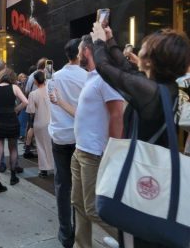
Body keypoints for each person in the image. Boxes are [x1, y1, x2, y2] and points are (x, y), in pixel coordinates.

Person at [91, 23, 190, 247]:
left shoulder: (150, 91)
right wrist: (110, 41)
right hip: (155, 167)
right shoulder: (163, 87)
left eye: (145, 48)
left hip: (142, 172)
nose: (140, 50)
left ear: (151, 59)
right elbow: (128, 71)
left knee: (138, 227)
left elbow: (106, 69)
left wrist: (98, 41)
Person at [71, 34, 124, 248]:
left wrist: (112, 152)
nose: (76, 56)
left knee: (93, 208)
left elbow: (117, 114)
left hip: (94, 154)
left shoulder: (105, 78)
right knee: (79, 204)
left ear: (86, 51)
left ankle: (133, 241)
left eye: (78, 51)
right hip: (81, 151)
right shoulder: (91, 76)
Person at [48, 38, 87, 248]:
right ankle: (80, 235)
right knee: (81, 189)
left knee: (63, 186)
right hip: (80, 138)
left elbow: (53, 106)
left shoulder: (54, 77)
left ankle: (65, 235)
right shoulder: (88, 77)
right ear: (80, 54)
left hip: (60, 137)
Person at [0, 68, 28, 194]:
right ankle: (13, 177)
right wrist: (16, 109)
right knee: (13, 149)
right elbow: (25, 102)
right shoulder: (15, 88)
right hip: (11, 121)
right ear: (12, 77)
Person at [26, 71, 53, 177]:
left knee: (41, 146)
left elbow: (31, 110)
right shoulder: (51, 91)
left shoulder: (33, 94)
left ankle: (44, 169)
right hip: (53, 122)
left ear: (36, 81)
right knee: (52, 146)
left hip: (40, 122)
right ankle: (54, 166)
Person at [23, 58, 47, 158]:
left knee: (32, 126)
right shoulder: (48, 74)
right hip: (44, 105)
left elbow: (27, 90)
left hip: (33, 103)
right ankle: (41, 150)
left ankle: (27, 147)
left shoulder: (32, 75)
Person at [17, 73, 28, 140]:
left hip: (24, 104)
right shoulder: (17, 86)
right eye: (21, 77)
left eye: (24, 77)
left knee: (23, 120)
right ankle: (20, 134)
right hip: (19, 104)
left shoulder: (26, 85)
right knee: (20, 120)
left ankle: (22, 134)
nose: (23, 78)